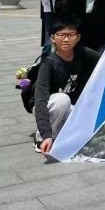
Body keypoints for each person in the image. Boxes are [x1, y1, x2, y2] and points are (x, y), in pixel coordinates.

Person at [33, 18, 100, 154]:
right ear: (52, 38)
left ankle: (61, 133)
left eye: (71, 35)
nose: (66, 39)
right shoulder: (48, 64)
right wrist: (46, 134)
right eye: (61, 35)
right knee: (62, 99)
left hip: (72, 108)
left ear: (78, 37)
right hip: (51, 106)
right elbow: (40, 100)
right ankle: (42, 139)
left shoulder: (85, 54)